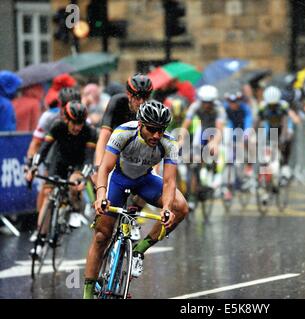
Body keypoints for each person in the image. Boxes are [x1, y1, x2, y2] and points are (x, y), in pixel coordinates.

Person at [83, 100, 189, 299]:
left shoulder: (169, 143)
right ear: (140, 124)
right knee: (101, 236)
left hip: (145, 180)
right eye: (152, 129)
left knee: (181, 207)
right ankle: (87, 294)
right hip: (119, 180)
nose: (157, 135)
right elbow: (104, 168)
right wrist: (100, 197)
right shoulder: (123, 132)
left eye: (161, 130)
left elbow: (169, 182)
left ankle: (139, 250)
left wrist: (166, 208)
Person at [26, 102, 97, 256]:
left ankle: (75, 209)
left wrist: (83, 178)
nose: (77, 127)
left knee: (74, 182)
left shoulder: (90, 132)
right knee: (47, 196)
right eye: (74, 123)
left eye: (80, 123)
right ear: (67, 120)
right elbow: (44, 149)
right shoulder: (57, 126)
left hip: (78, 164)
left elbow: (89, 159)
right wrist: (34, 167)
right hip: (59, 162)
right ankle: (40, 240)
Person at [25, 87, 81, 242]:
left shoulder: (81, 119)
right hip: (53, 154)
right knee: (45, 190)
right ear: (60, 105)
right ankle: (40, 227)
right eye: (66, 107)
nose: (69, 110)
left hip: (73, 154)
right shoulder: (49, 118)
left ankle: (74, 206)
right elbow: (36, 143)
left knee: (75, 182)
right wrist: (30, 164)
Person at [93, 73, 153, 178]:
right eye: (138, 97)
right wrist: (98, 166)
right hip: (115, 151)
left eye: (145, 97)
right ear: (129, 94)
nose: (142, 102)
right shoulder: (117, 102)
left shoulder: (151, 109)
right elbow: (104, 136)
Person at [254, 86, 301, 183]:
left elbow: (285, 123)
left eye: (274, 105)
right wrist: (253, 134)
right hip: (271, 128)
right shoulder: (263, 106)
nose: (272, 107)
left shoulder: (283, 106)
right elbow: (256, 122)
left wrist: (283, 138)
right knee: (265, 147)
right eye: (270, 105)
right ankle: (264, 172)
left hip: (283, 127)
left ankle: (285, 165)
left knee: (287, 138)